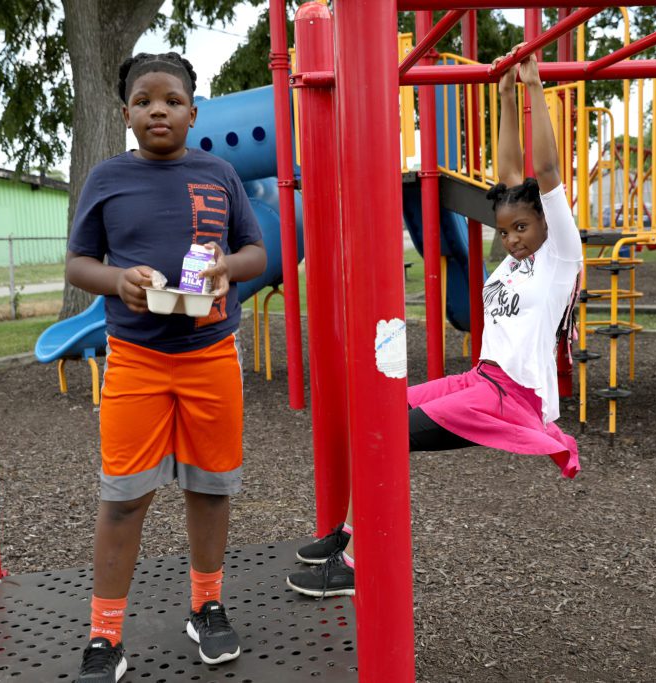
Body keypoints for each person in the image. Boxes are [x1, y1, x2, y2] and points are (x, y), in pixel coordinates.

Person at [286, 47, 582, 598]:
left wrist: (534, 86)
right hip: (481, 379)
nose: (512, 239)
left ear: (547, 222)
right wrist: (502, 95)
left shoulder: (559, 257)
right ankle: (349, 531)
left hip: (512, 396)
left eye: (522, 228)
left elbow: (542, 173)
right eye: (505, 231)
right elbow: (511, 177)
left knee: (388, 436)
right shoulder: (515, 259)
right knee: (375, 412)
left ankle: (355, 564)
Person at [66, 52, 267, 682]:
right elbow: (78, 264)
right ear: (126, 113)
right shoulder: (106, 179)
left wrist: (225, 270)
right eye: (146, 100)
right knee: (124, 496)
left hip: (210, 356)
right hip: (135, 359)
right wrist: (116, 280)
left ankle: (206, 604)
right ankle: (105, 637)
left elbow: (256, 252)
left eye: (173, 100)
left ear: (193, 112)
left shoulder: (220, 174)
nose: (160, 109)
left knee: (210, 488)